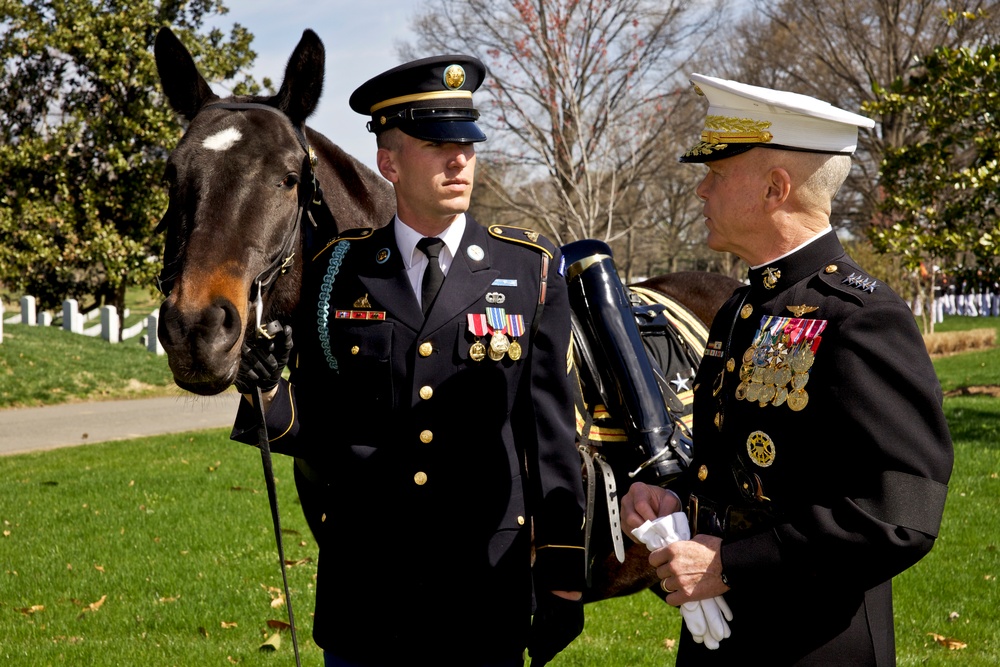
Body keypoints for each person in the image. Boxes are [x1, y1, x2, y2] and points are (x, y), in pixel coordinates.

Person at [231, 55, 586, 666]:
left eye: (467, 145)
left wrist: (562, 573)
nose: (459, 160)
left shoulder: (529, 271)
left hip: (483, 590)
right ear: (388, 162)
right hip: (366, 597)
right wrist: (261, 389)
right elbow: (317, 427)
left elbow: (552, 435)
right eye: (436, 144)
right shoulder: (337, 273)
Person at [621, 74, 954, 665]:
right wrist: (673, 498)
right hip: (722, 634)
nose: (701, 191)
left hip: (815, 642)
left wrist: (730, 565)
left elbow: (896, 515)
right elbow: (736, 469)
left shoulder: (860, 317)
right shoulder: (741, 310)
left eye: (718, 175)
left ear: (775, 188)